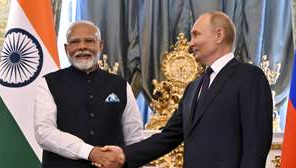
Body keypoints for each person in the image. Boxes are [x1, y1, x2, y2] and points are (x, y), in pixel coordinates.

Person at [98, 11, 273, 168]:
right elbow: (169, 136)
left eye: (196, 35)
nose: (191, 43)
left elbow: (256, 143)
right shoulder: (194, 86)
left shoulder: (250, 77)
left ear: (219, 35)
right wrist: (124, 154)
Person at [34, 20, 143, 168]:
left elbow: (134, 138)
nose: (82, 47)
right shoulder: (48, 83)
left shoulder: (120, 85)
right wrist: (90, 152)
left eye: (89, 41)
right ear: (66, 48)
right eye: (75, 42)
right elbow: (44, 133)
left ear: (100, 45)